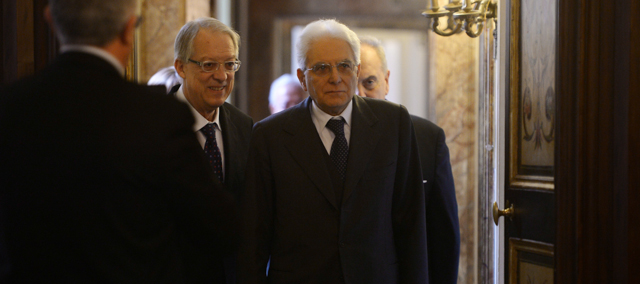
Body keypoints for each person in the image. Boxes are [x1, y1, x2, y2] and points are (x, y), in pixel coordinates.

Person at [0, 0, 237, 283]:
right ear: (128, 29)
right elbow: (219, 227)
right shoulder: (156, 115)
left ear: (50, 20)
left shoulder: (11, 107)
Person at [239, 19, 428, 284]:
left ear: (357, 69)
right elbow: (254, 236)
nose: (335, 77)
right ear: (302, 78)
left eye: (344, 66)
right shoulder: (269, 136)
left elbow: (411, 222)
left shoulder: (393, 123)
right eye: (321, 68)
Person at [358, 35, 460, 284]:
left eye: (369, 83)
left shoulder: (427, 138)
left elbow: (444, 236)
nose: (359, 94)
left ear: (386, 81)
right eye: (352, 83)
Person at [172, 17, 253, 284]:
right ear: (181, 67)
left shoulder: (245, 128)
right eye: (209, 65)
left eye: (230, 64)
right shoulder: (150, 127)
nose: (222, 75)